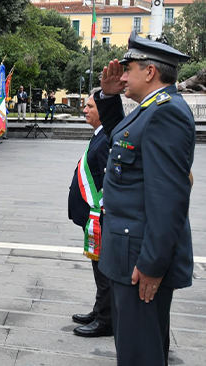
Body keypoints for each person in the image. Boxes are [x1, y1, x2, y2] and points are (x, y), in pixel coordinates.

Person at [95, 32, 194, 365]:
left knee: (140, 354)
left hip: (140, 261)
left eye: (128, 70)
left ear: (149, 72)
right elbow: (122, 140)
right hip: (129, 252)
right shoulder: (150, 109)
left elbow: (168, 199)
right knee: (134, 346)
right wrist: (109, 98)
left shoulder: (166, 113)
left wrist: (152, 264)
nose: (122, 76)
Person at [68, 90, 112, 338]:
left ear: (102, 111)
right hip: (94, 217)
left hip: (101, 217)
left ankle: (106, 320)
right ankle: (100, 310)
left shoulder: (105, 138)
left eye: (89, 107)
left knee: (103, 267)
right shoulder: (99, 135)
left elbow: (109, 180)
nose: (84, 110)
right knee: (98, 265)